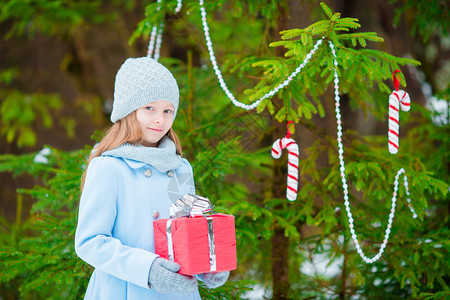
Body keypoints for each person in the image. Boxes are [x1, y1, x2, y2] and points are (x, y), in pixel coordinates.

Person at [75, 57, 229, 299]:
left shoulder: (180, 167)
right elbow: (90, 241)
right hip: (126, 290)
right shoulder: (109, 167)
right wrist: (148, 270)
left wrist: (206, 263)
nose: (160, 119)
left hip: (178, 292)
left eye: (168, 110)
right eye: (150, 108)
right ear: (128, 110)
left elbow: (185, 229)